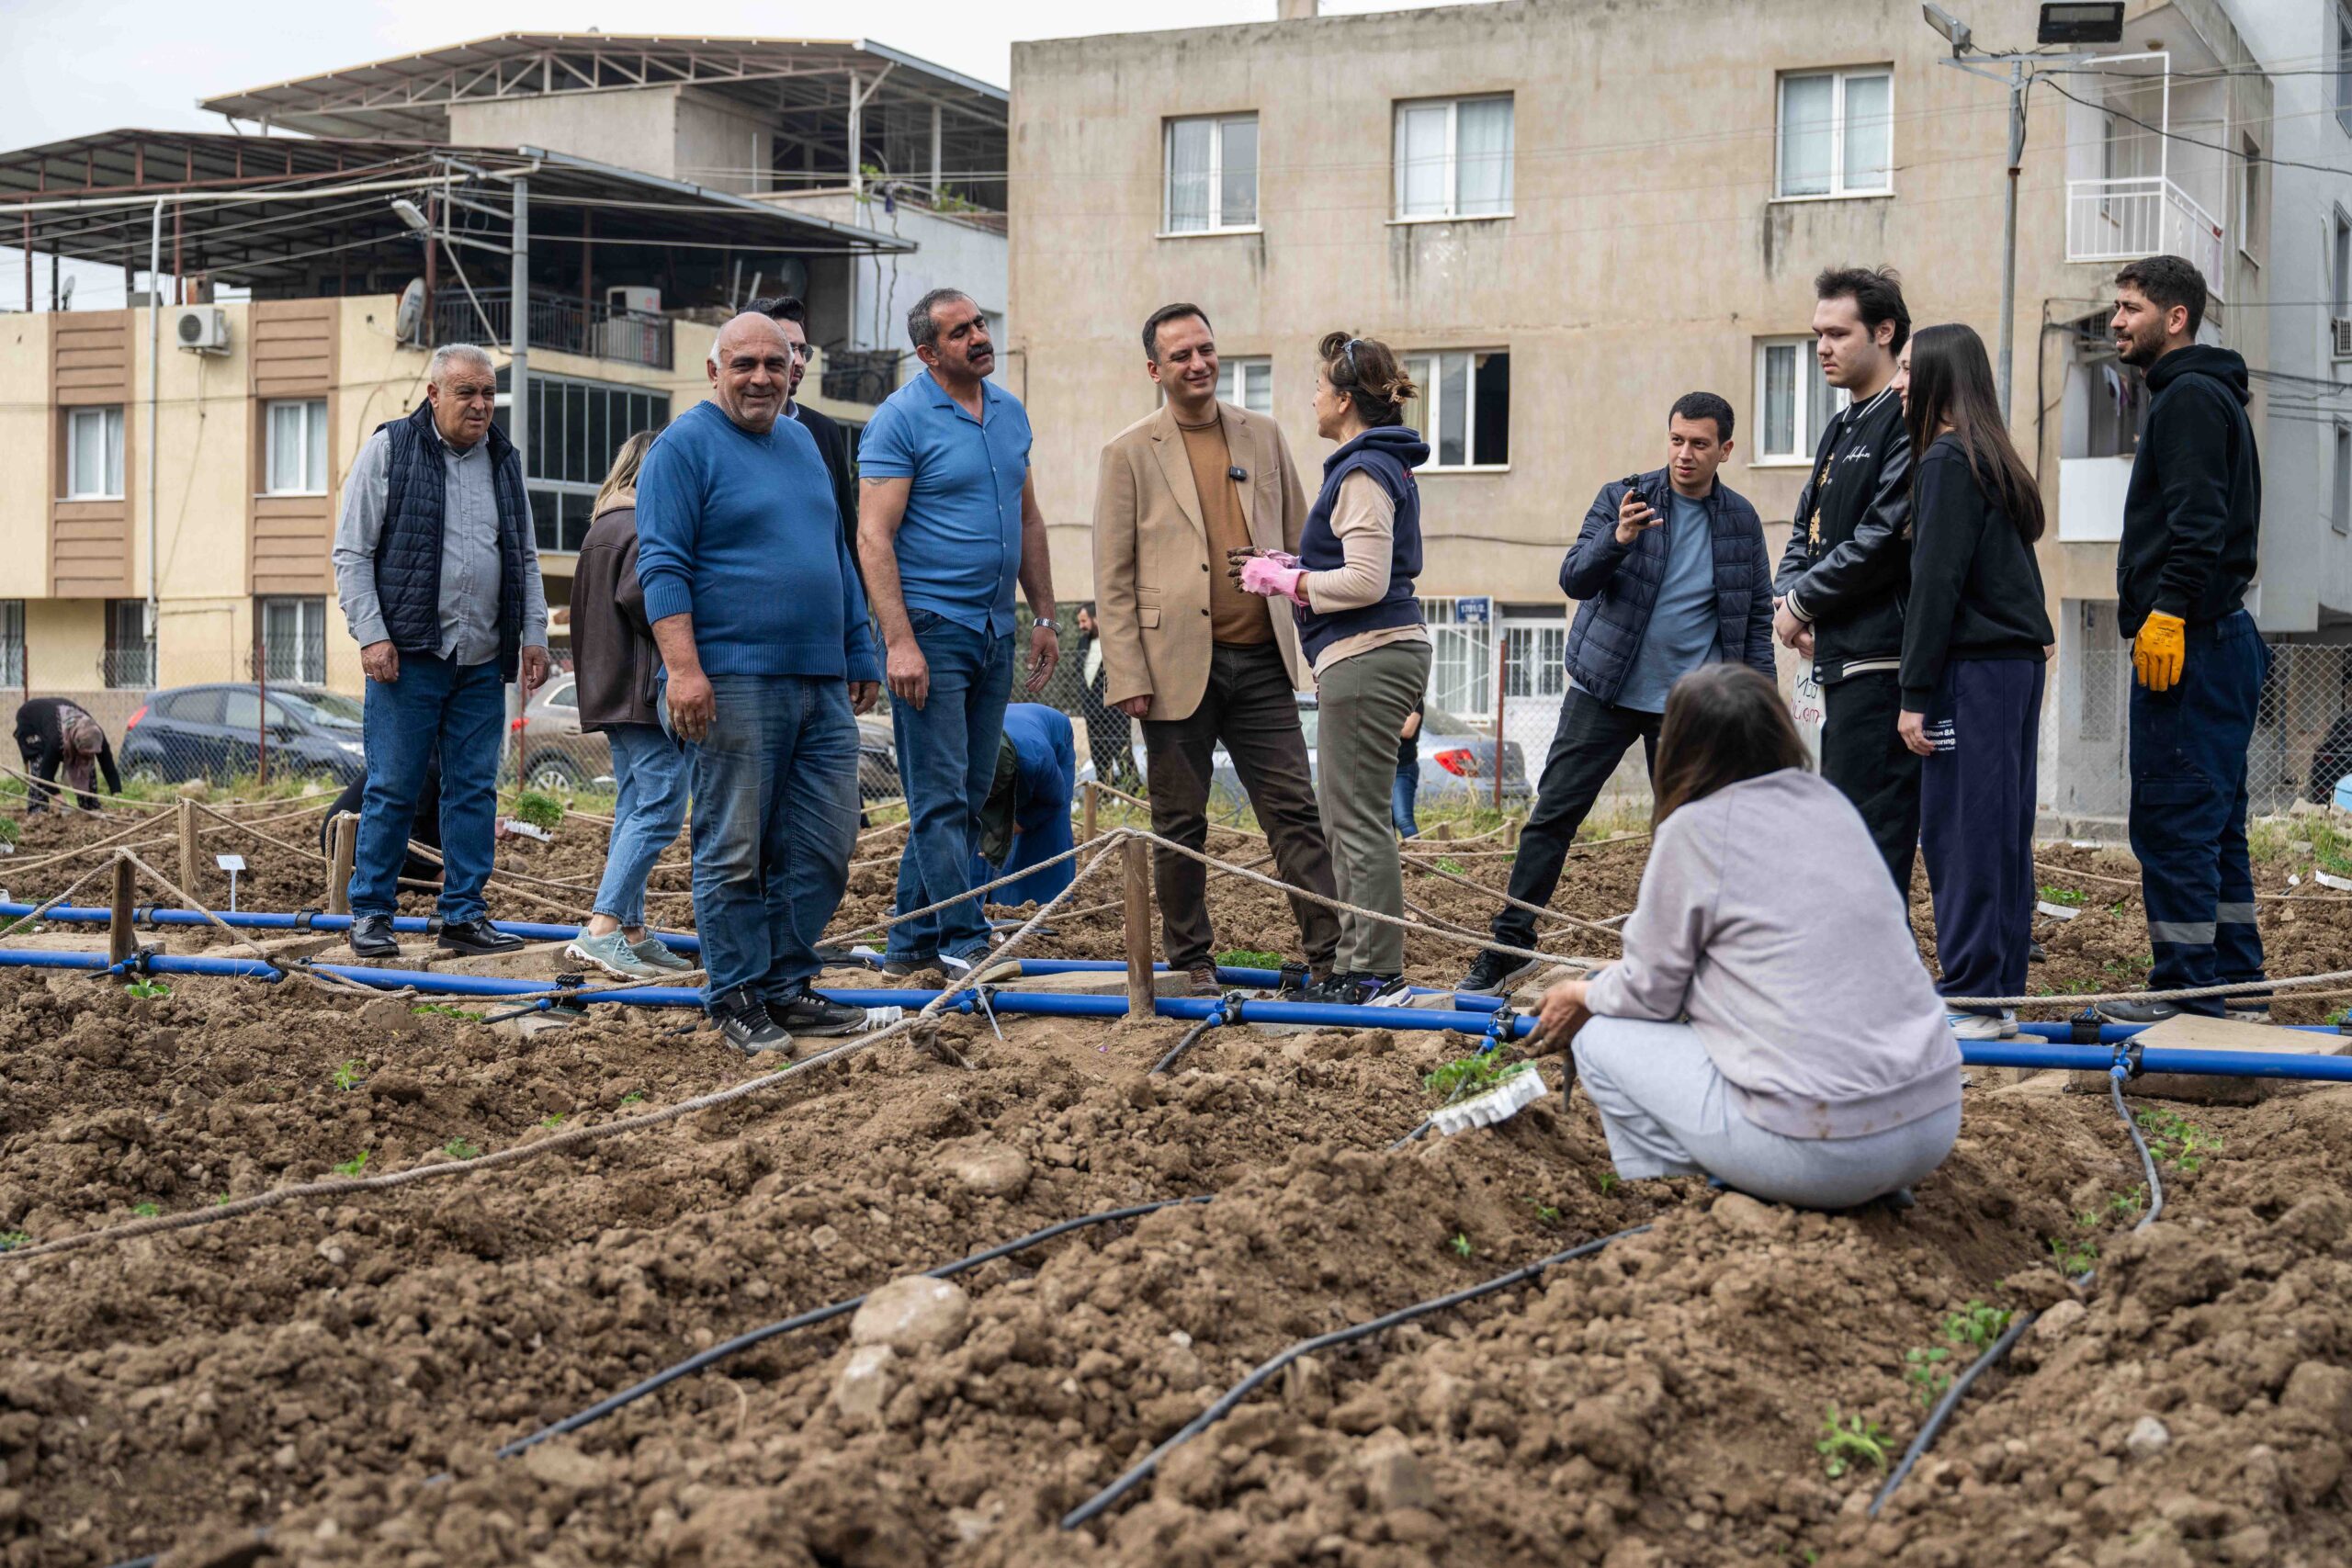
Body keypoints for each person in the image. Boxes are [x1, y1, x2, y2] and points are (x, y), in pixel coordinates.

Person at [1534, 664, 1962, 1211]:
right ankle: (1856, 1182)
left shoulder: (1694, 831)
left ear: (1679, 748)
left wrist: (1580, 992)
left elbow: (1650, 995)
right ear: (1780, 731)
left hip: (1822, 1149)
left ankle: (1746, 1185)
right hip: (1934, 1120)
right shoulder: (1829, 803)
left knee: (1601, 1037)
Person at [636, 311, 896, 1054]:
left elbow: (835, 553)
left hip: (818, 680)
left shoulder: (806, 445)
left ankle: (785, 982)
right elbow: (661, 565)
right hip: (731, 678)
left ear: (793, 372)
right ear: (714, 372)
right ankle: (736, 994)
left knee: (822, 842)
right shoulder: (682, 449)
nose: (759, 378)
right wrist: (683, 668)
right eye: (743, 364)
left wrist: (858, 648)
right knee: (734, 848)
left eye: (773, 365)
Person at [1457, 391, 1776, 996]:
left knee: (1687, 835)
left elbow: (1755, 619)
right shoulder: (1624, 498)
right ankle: (1508, 944)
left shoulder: (1740, 522)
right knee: (1551, 816)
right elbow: (1575, 576)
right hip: (1604, 689)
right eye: (1677, 440)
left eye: (1700, 444)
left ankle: (1683, 960)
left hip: (1690, 708)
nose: (1685, 453)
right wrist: (1618, 539)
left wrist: (1760, 711)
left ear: (1725, 450)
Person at [1094, 303, 1343, 994]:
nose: (1199, 363)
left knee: (1294, 809)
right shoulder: (1128, 453)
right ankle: (1191, 959)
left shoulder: (1261, 436)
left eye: (1206, 349)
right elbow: (1112, 577)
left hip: (1263, 658)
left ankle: (1330, 955)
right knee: (1179, 822)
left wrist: (1314, 643)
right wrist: (1127, 673)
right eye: (1181, 355)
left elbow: (1304, 541)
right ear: (1156, 370)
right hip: (1171, 668)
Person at [858, 288, 1059, 980]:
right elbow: (873, 536)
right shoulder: (899, 421)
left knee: (968, 793)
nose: (979, 337)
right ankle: (963, 938)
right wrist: (899, 641)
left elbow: (1029, 521)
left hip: (994, 629)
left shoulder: (1008, 413)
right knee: (940, 793)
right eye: (960, 331)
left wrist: (1044, 615)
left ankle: (908, 944)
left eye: (979, 324)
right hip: (932, 631)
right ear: (926, 352)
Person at [332, 343, 549, 961]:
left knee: (474, 790)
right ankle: (371, 912)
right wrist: (372, 633)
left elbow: (525, 557)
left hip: (482, 656)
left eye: (488, 394)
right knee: (395, 785)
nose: (481, 405)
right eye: (467, 393)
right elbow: (351, 553)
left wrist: (532, 632)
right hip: (409, 655)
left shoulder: (504, 462)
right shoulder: (390, 450)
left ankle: (464, 914)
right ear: (433, 395)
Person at [1233, 331, 1430, 1005]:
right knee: (1350, 814)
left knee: (1355, 819)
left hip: (1368, 654)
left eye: (1319, 386)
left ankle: (1373, 972)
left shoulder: (1364, 471)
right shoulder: (1372, 465)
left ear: (1344, 400)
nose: (1312, 398)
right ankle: (1357, 962)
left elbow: (1369, 581)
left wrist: (1291, 584)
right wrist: (1296, 567)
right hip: (1370, 654)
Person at [2100, 256, 2268, 1025]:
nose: (2115, 321)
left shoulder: (2190, 399)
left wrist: (2167, 610)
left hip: (2191, 642)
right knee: (2213, 822)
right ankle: (2238, 983)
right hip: (2215, 639)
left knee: (2174, 819)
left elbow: (2198, 522)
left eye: (2130, 307)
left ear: (2175, 318)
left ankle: (2187, 992)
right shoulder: (2197, 393)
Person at [1893, 324, 2055, 1042]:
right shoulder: (1994, 456)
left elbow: (1935, 581)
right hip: (2014, 666)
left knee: (1961, 829)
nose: (1900, 384)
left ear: (1934, 377)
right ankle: (1997, 991)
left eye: (1907, 369)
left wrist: (1914, 691)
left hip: (1974, 671)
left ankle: (1972, 997)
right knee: (2002, 830)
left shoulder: (1947, 461)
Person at [1773, 266, 1919, 897]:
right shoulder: (1839, 424)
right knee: (1843, 825)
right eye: (1817, 334)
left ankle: (1874, 979)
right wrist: (1789, 596)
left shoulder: (1906, 416)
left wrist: (1804, 601)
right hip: (1839, 656)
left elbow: (1883, 536)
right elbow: (1806, 523)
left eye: (1838, 333)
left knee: (1870, 832)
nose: (1822, 348)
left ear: (1884, 332)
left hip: (1882, 659)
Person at [564, 430, 697, 981]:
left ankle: (632, 932)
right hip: (644, 692)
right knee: (662, 805)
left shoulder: (602, 527)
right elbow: (649, 604)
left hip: (611, 689)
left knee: (633, 805)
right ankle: (602, 929)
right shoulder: (644, 528)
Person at [750, 295, 861, 581]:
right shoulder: (704, 436)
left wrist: (858, 618)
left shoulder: (822, 430)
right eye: (787, 348)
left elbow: (847, 534)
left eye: (803, 350)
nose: (797, 361)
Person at [970, 702, 1078, 907]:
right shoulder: (964, 755)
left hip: (1051, 737)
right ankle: (974, 895)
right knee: (975, 828)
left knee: (1049, 827)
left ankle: (1044, 901)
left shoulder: (1036, 761)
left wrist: (1015, 826)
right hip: (1007, 728)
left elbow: (1053, 801)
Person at [322, 760, 442, 887]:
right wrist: (439, 872)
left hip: (383, 838)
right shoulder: (425, 767)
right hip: (350, 848)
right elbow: (403, 831)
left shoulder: (436, 759)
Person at [1073, 605, 1139, 791]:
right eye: (1079, 621)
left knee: (1121, 750)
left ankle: (1134, 792)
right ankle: (1105, 794)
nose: (1081, 625)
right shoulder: (1082, 644)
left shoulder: (1113, 642)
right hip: (1092, 711)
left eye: (1084, 620)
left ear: (1096, 618)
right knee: (1098, 753)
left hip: (1115, 710)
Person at [12, 697, 119, 812]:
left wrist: (117, 793)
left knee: (87, 766)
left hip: (55, 714)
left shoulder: (97, 735)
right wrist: (61, 801)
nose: (89, 757)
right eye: (85, 753)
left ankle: (90, 807)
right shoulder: (56, 741)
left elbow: (109, 767)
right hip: (30, 718)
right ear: (75, 745)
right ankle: (37, 811)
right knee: (39, 765)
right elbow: (45, 775)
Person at [1392, 697, 1423, 840]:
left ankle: (1419, 859)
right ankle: (1391, 860)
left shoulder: (1414, 699)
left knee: (1403, 820)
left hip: (1402, 768)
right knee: (1384, 822)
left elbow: (1407, 730)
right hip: (1382, 769)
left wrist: (1378, 724)